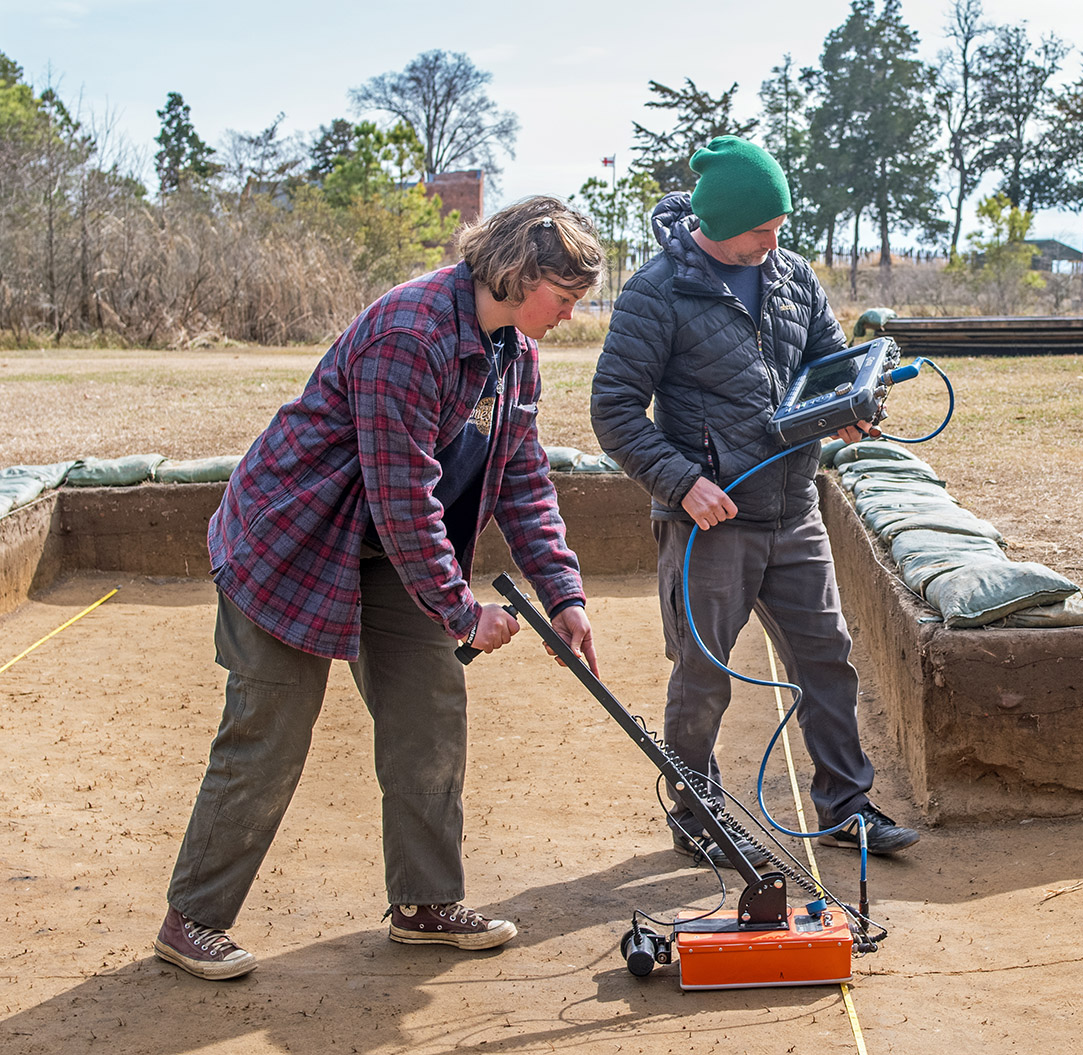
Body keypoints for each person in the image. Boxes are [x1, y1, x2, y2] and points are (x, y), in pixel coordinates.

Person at [154, 196, 605, 980]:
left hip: (388, 550)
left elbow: (524, 479)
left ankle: (426, 903)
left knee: (429, 711)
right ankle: (191, 918)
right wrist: (462, 612)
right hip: (295, 543)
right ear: (518, 273)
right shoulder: (411, 332)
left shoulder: (515, 356)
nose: (570, 315)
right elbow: (403, 497)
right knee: (270, 729)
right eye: (564, 297)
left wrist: (563, 594)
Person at [590, 137, 918, 869]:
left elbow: (830, 366)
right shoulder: (657, 291)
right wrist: (681, 482)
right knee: (703, 674)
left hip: (794, 506)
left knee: (827, 657)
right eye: (761, 230)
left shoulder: (792, 275)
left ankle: (847, 807)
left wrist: (851, 406)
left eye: (779, 227)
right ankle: (699, 814)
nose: (774, 242)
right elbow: (613, 408)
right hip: (710, 521)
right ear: (719, 222)